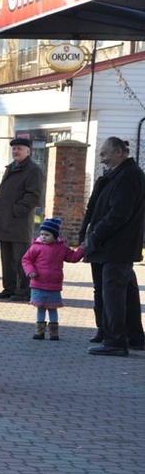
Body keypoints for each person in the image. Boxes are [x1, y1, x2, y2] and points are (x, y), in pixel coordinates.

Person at [84, 137, 145, 357]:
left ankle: (116, 342)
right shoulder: (120, 175)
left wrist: (96, 233)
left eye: (104, 153)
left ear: (119, 152)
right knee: (125, 293)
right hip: (116, 246)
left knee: (113, 294)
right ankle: (134, 338)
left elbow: (119, 213)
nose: (102, 158)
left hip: (117, 246)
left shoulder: (128, 176)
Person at [0, 137, 43, 302]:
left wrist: (18, 210)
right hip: (5, 221)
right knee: (7, 259)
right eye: (14, 149)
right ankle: (9, 288)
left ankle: (24, 290)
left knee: (22, 259)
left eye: (20, 148)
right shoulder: (11, 167)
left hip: (19, 221)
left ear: (28, 151)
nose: (16, 151)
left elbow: (34, 195)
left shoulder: (32, 169)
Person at [21, 218, 85, 340]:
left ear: (55, 236)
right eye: (41, 234)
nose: (43, 237)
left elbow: (72, 257)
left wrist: (81, 250)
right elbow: (26, 260)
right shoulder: (36, 247)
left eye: (47, 235)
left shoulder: (61, 248)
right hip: (38, 283)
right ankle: (39, 331)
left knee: (53, 308)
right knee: (40, 307)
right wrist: (30, 271)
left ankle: (54, 332)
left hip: (54, 285)